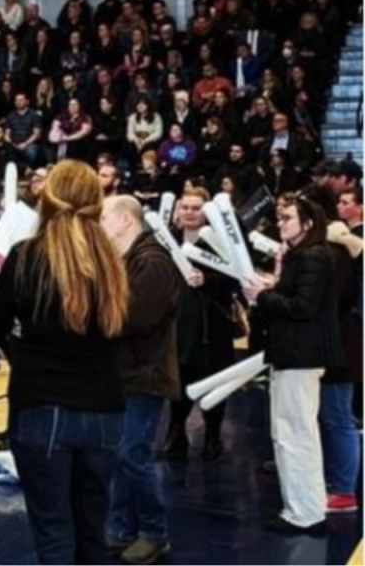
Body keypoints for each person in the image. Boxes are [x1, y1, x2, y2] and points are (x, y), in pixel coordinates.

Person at [0, 160, 130, 565]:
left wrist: (24, 355)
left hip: (42, 403)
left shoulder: (26, 255)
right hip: (104, 405)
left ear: (48, 196)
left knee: (53, 534)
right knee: (92, 532)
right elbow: (121, 329)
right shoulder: (111, 260)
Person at [243, 195, 343, 536]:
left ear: (308, 223)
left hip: (300, 356)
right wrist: (269, 290)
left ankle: (306, 513)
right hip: (294, 355)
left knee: (295, 435)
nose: (281, 223)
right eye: (280, 217)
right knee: (292, 433)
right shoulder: (305, 256)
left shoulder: (314, 258)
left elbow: (303, 306)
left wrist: (263, 296)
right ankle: (301, 508)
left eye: (287, 218)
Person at [100, 195, 182, 565]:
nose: (99, 222)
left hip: (145, 373)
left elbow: (136, 318)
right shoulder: (129, 260)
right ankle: (120, 527)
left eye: (104, 216)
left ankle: (154, 532)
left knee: (132, 454)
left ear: (125, 220)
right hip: (127, 372)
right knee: (121, 454)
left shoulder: (152, 262)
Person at [162, 188, 240, 462]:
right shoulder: (166, 240)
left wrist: (207, 280)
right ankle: (175, 432)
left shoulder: (220, 243)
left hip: (212, 325)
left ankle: (213, 435)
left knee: (213, 380)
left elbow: (235, 282)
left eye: (196, 208)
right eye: (185, 207)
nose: (190, 213)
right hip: (179, 324)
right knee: (178, 380)